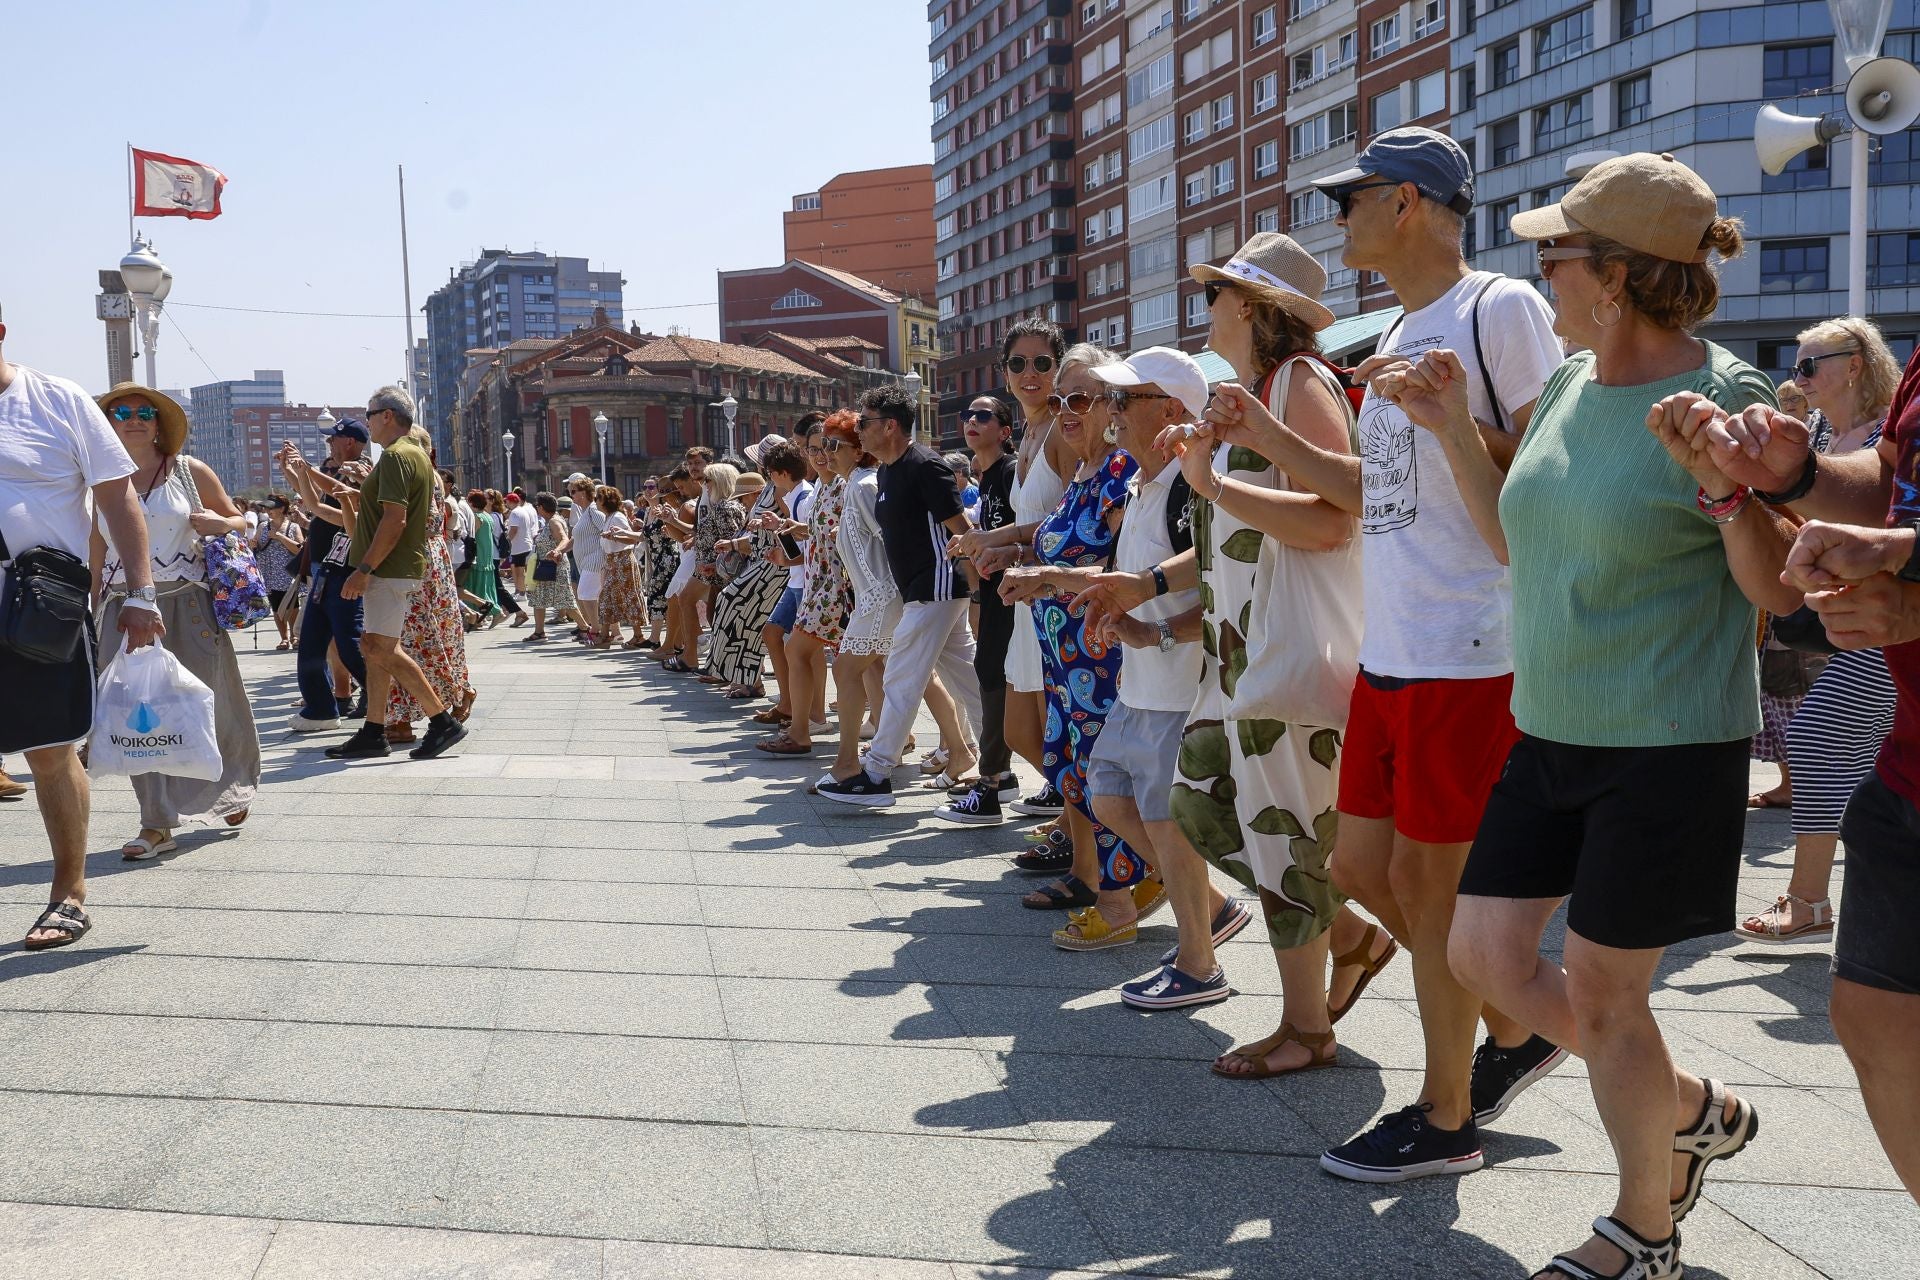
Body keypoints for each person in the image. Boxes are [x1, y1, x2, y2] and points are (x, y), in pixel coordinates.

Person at [1428, 153, 1792, 1278]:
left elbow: (1775, 589)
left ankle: (1645, 1230)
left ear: (1618, 276)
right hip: (1552, 729)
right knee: (1485, 952)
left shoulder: (1727, 396)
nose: (1539, 267)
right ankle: (1687, 1105)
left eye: (1558, 251)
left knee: (1601, 987)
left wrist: (1728, 487)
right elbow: (1514, 543)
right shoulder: (1572, 388)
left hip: (1669, 742)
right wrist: (1451, 426)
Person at [1279, 127, 1567, 1182]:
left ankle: (1447, 1118)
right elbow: (1376, 499)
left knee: (1430, 886)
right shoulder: (1400, 323)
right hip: (1395, 648)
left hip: (1472, 644)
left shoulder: (1501, 308)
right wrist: (1262, 448)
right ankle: (1510, 1017)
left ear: (1404, 202)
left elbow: (1549, 474)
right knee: (1359, 866)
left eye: (1348, 197)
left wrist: (1450, 420)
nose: (1336, 214)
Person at [1708, 337, 1920, 1207]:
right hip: (1908, 772)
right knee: (1874, 1018)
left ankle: (1806, 895)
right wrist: (1798, 479)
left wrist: (1908, 586)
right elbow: (1895, 479)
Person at [0, 322, 164, 950]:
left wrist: (141, 594)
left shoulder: (56, 401)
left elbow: (119, 500)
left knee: (49, 751)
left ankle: (68, 893)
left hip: (40, 610)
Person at [1739, 317, 1901, 945]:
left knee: (1818, 735)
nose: (1797, 377)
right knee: (1868, 754)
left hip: (1887, 618)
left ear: (1855, 362)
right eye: (1795, 365)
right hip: (1840, 617)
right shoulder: (1814, 434)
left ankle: (1808, 902)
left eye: (1812, 365)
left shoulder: (1891, 435)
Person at [996, 344, 1152, 945]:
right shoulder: (1082, 473)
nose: (1065, 409)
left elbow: (1123, 567)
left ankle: (1125, 901)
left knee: (1102, 777)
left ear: (1112, 404)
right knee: (1070, 770)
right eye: (1061, 398)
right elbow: (1062, 548)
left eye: (1080, 397)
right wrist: (1014, 556)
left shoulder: (1119, 473)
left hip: (1100, 654)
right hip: (1064, 656)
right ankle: (1106, 884)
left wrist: (1046, 576)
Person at [90, 382, 261, 859]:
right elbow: (96, 550)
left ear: (159, 422)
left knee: (209, 706)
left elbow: (242, 520)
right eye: (120, 412)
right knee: (138, 717)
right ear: (107, 424)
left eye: (144, 410)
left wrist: (222, 524)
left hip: (188, 605)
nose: (133, 418)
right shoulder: (97, 479)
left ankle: (231, 786)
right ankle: (156, 822)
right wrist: (88, 614)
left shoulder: (188, 472)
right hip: (123, 610)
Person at [947, 320, 1077, 857]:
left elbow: (1075, 522)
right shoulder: (1030, 432)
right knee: (1028, 732)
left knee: (1052, 727)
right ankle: (1081, 821)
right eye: (1019, 363)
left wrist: (1005, 544)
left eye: (1042, 363)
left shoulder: (1067, 428)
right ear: (1005, 371)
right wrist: (1005, 550)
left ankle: (1081, 834)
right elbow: (1041, 523)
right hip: (1027, 593)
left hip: (1058, 596)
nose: (1030, 373)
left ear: (1059, 369)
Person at [817, 387, 981, 806]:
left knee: (901, 676)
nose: (859, 431)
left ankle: (875, 772)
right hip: (920, 592)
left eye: (864, 423)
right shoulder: (889, 472)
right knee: (971, 681)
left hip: (936, 588)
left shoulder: (925, 465)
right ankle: (991, 764)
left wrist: (980, 580)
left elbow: (960, 526)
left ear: (889, 426)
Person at [324, 385, 467, 761]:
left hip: (388, 567)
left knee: (378, 647)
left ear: (387, 415)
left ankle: (441, 721)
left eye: (370, 414)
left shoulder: (395, 457)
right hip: (399, 566)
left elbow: (394, 519)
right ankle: (374, 729)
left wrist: (365, 568)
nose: (368, 422)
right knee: (375, 648)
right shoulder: (415, 455)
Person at [936, 396, 1024, 822]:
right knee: (992, 674)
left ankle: (992, 783)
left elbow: (1029, 527)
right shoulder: (987, 475)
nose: (971, 421)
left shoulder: (1008, 472)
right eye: (968, 416)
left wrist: (991, 547)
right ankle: (999, 776)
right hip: (995, 591)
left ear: (1005, 431)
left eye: (983, 416)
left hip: (1014, 592)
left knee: (995, 674)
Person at [760, 415, 856, 756]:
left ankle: (806, 726)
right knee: (817, 655)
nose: (820, 455)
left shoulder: (847, 486)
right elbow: (819, 535)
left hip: (838, 586)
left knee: (864, 665)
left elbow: (853, 533)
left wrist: (813, 533)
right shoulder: (827, 488)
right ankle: (804, 725)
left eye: (828, 447)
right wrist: (797, 529)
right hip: (821, 584)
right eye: (813, 449)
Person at [383, 428, 475, 744]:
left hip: (415, 558)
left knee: (411, 637)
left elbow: (399, 519)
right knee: (423, 635)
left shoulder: (416, 473)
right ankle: (403, 717)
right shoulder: (433, 476)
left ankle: (443, 698)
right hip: (431, 557)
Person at [283, 418, 370, 730]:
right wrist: (296, 472)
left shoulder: (362, 470)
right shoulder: (339, 471)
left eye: (333, 438)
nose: (329, 444)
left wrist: (306, 469)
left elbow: (339, 500)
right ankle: (321, 708)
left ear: (348, 441)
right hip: (328, 567)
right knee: (312, 639)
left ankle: (380, 696)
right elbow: (314, 505)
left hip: (347, 568)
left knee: (347, 640)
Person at [703, 440, 802, 696]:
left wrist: (778, 535)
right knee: (744, 614)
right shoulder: (770, 487)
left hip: (774, 565)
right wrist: (735, 543)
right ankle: (744, 676)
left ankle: (740, 675)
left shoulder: (778, 490)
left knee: (733, 603)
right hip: (763, 561)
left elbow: (790, 525)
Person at [594, 484, 648, 649]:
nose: (595, 501)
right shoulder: (609, 517)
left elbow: (632, 540)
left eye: (598, 498)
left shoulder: (617, 517)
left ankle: (638, 635)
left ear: (606, 501)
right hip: (613, 562)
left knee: (629, 596)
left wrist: (614, 537)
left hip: (623, 560)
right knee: (607, 598)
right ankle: (605, 635)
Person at [524, 491, 576, 642]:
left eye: (537, 506)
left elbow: (564, 539)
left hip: (555, 565)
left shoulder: (554, 521)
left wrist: (557, 550)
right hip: (545, 565)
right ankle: (539, 632)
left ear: (541, 507)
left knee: (565, 599)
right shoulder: (550, 521)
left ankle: (585, 628)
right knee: (538, 598)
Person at [257, 494, 301, 650]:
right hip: (269, 572)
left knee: (292, 605)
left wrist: (280, 537)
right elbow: (257, 545)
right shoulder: (262, 526)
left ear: (282, 509)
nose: (268, 511)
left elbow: (299, 549)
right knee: (276, 606)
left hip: (288, 572)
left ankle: (295, 636)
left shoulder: (293, 527)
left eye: (272, 508)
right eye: (267, 508)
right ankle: (284, 638)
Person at [504, 491, 538, 614]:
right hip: (526, 543)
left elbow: (513, 529)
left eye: (507, 501)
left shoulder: (514, 513)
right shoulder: (524, 510)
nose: (506, 503)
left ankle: (521, 592)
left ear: (511, 501)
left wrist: (508, 540)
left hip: (518, 545)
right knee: (521, 569)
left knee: (519, 571)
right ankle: (521, 591)